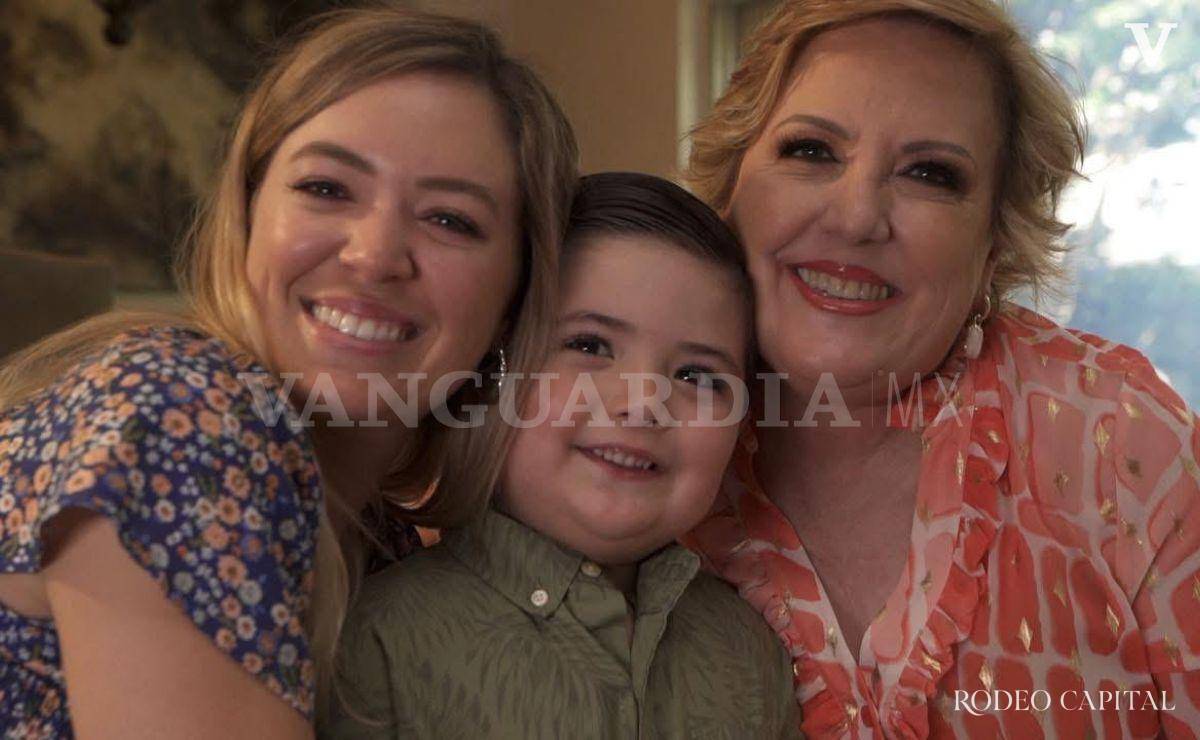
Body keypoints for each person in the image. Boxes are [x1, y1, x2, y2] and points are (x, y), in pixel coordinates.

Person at [0, 7, 577, 737]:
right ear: (247, 213)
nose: (374, 255)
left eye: (449, 220)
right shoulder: (183, 413)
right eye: (327, 188)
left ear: (514, 301)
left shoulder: (385, 544)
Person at [682, 1, 1200, 737]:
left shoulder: (1117, 436)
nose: (856, 217)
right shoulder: (613, 439)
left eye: (930, 173)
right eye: (812, 150)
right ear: (729, 187)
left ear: (995, 244)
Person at [324, 172, 800, 738]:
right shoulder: (377, 643)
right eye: (589, 345)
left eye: (698, 375)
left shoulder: (753, 652)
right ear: (489, 370)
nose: (643, 403)